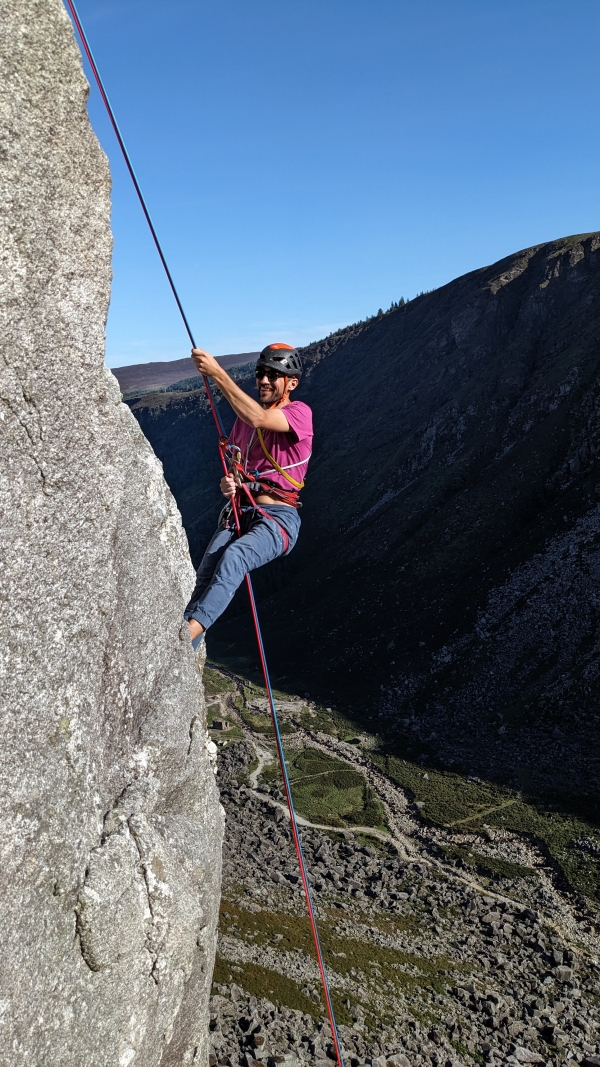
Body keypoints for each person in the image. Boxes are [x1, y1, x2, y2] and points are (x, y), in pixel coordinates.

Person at [184, 343, 313, 648]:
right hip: (241, 511)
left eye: (274, 375)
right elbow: (236, 472)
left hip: (278, 519)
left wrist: (216, 373)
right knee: (205, 574)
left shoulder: (299, 414)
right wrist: (229, 484)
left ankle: (181, 639)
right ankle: (185, 642)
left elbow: (259, 418)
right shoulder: (242, 423)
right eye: (261, 373)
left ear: (290, 383)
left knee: (234, 557)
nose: (264, 380)